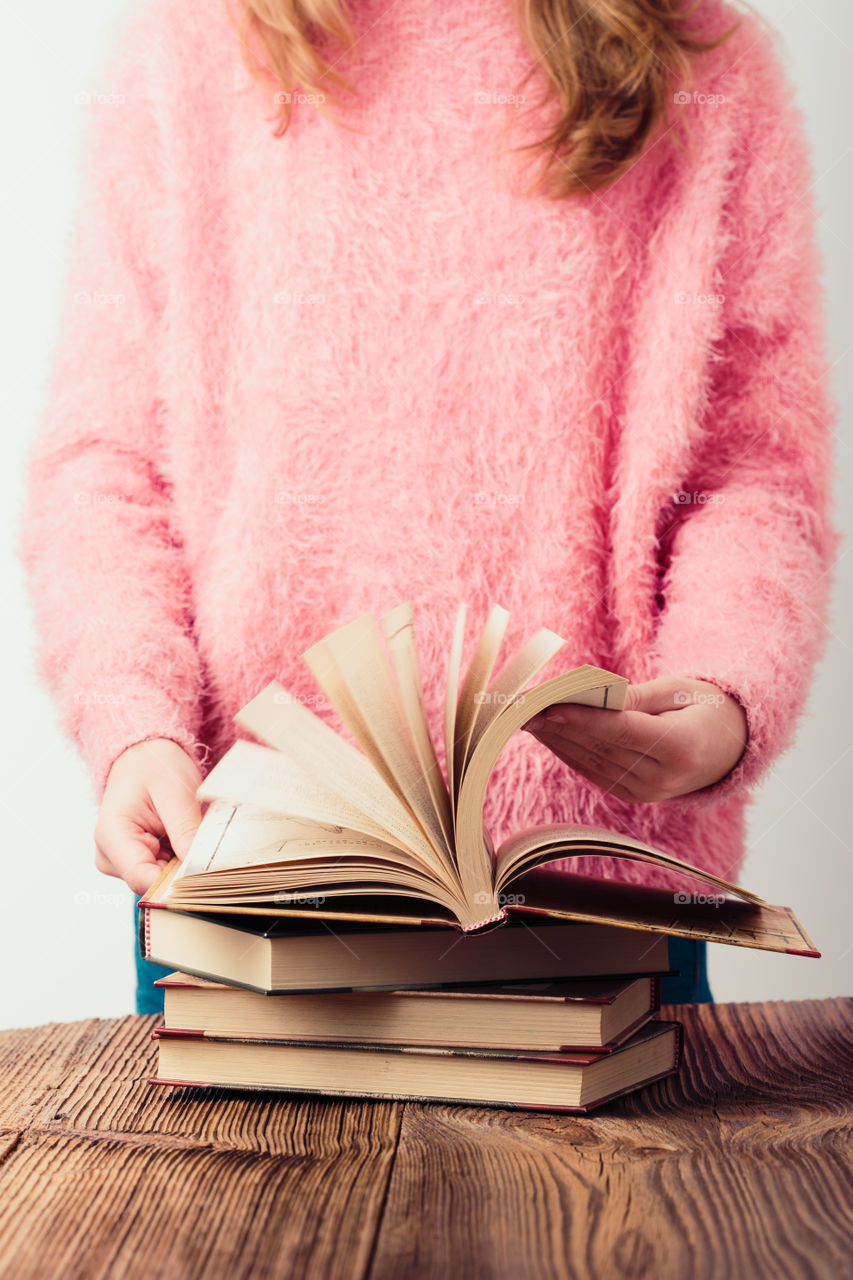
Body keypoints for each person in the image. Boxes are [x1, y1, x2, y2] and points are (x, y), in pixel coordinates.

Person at [18, 0, 837, 1015]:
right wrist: (135, 726)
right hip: (255, 882)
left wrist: (724, 699)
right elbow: (108, 465)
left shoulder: (706, 58)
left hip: (595, 907)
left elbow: (755, 474)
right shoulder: (188, 45)